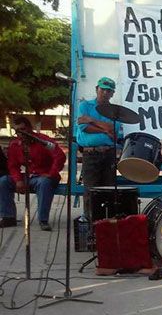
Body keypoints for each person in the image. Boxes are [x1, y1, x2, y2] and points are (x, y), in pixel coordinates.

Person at [0, 117, 66, 231]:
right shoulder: (15, 145)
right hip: (29, 176)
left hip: (45, 175)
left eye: (23, 129)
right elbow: (13, 166)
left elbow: (59, 156)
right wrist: (18, 180)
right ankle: (8, 217)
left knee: (44, 183)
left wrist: (51, 173)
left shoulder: (43, 140)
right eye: (17, 131)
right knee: (3, 181)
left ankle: (43, 220)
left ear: (30, 128)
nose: (20, 133)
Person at [76, 77, 122, 218]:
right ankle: (89, 220)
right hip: (91, 153)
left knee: (109, 189)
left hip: (109, 153)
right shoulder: (85, 106)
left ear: (112, 93)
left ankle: (106, 220)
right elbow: (84, 127)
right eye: (103, 90)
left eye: (109, 91)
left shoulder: (114, 110)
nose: (105, 93)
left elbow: (112, 129)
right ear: (97, 89)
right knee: (90, 189)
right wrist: (104, 129)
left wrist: (92, 120)